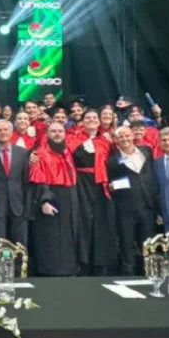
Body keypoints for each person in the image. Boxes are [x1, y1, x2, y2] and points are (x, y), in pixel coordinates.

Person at [70, 109, 116, 276]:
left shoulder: (106, 141)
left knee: (101, 223)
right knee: (82, 223)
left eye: (94, 117)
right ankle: (82, 262)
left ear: (99, 121)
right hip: (81, 184)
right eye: (87, 117)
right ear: (82, 121)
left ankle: (101, 264)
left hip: (100, 184)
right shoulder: (73, 139)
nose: (91, 120)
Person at [28, 122, 78, 277]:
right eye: (53, 131)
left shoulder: (67, 151)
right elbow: (38, 180)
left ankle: (68, 268)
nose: (57, 134)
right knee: (50, 236)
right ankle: (50, 270)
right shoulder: (40, 153)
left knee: (67, 234)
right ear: (47, 134)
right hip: (51, 195)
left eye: (60, 131)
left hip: (69, 196)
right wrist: (44, 201)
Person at [107, 126, 157, 276]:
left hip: (147, 207)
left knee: (148, 245)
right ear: (116, 140)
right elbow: (110, 183)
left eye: (127, 136)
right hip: (125, 209)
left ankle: (150, 275)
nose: (124, 139)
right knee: (126, 245)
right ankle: (128, 275)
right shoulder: (112, 161)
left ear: (133, 136)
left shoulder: (147, 152)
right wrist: (112, 186)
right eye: (120, 137)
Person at [0, 119, 29, 245]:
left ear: (12, 132)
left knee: (19, 243)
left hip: (18, 203)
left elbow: (25, 179)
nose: (2, 132)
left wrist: (26, 203)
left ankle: (19, 265)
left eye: (5, 129)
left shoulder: (22, 153)